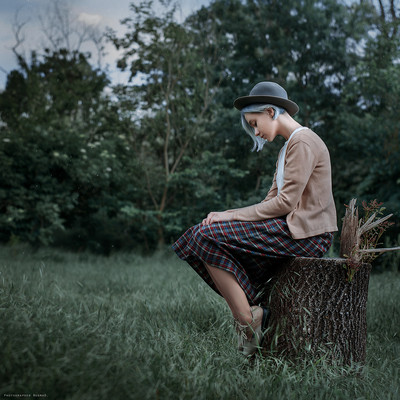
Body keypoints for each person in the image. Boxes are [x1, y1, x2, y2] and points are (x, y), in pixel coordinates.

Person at [172, 81, 338, 356]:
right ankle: (251, 314)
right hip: (288, 228)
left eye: (255, 123)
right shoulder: (288, 148)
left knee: (205, 235)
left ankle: (247, 321)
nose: (256, 132)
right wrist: (230, 219)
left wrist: (230, 215)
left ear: (270, 112)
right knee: (198, 236)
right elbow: (270, 202)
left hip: (308, 234)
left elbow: (285, 203)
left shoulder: (304, 142)